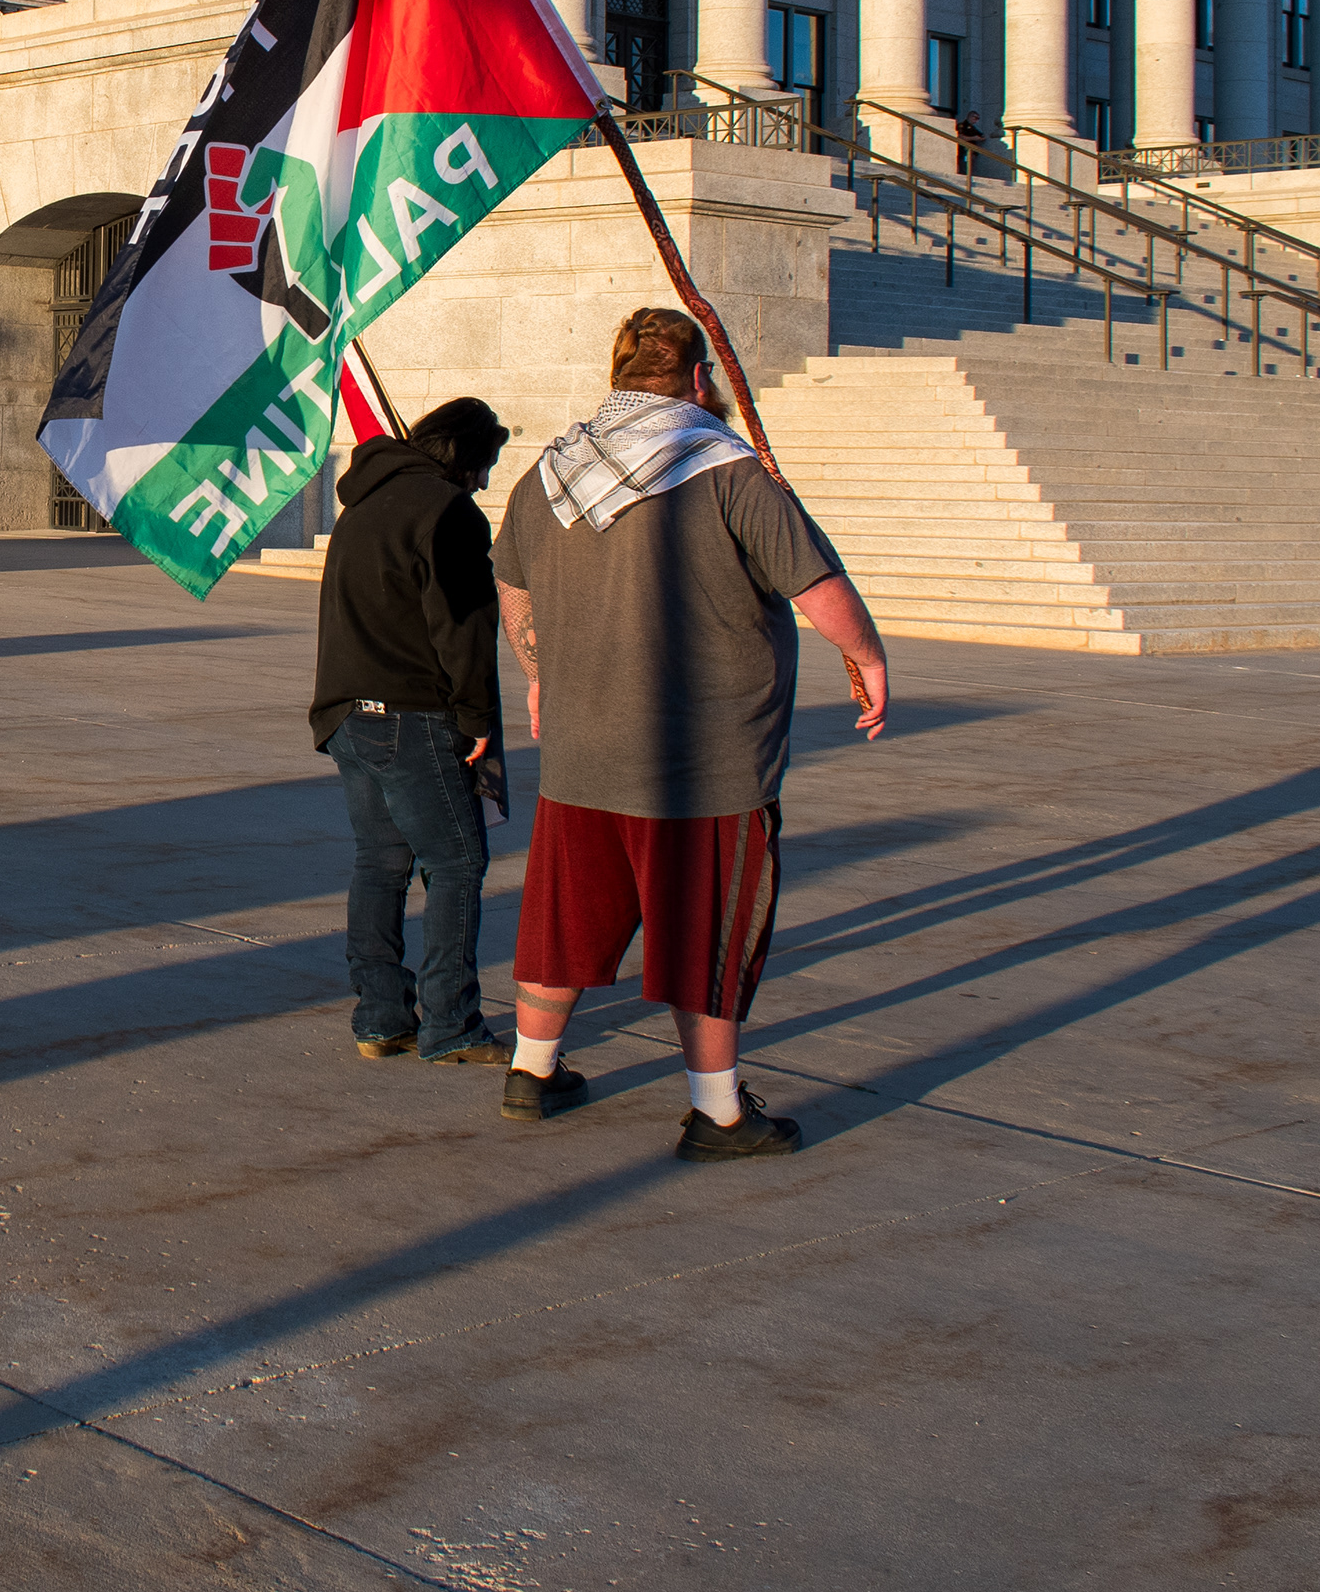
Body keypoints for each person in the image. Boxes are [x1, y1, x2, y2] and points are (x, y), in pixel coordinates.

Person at [491, 307, 892, 1160]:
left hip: (581, 751)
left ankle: (532, 1072)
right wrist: (868, 655)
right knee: (706, 931)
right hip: (704, 761)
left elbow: (513, 588)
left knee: (564, 915)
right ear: (700, 378)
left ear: (618, 373)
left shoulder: (550, 471)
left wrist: (537, 672)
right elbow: (818, 589)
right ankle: (719, 1114)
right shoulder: (728, 470)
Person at [312, 395, 513, 1068]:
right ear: (462, 455)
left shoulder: (363, 503)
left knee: (381, 863)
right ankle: (451, 1022)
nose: (483, 481)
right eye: (484, 465)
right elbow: (463, 627)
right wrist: (477, 718)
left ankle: (380, 1018)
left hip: (347, 713)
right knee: (456, 863)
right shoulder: (447, 511)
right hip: (410, 715)